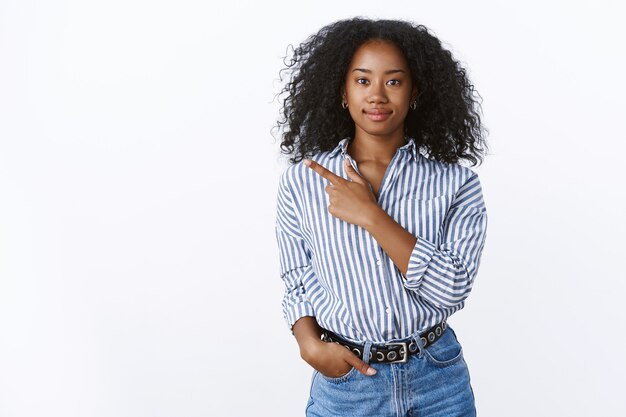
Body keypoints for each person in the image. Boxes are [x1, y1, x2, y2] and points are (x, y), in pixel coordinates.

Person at [274, 17, 488, 417]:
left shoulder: (456, 184)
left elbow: (453, 288)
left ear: (415, 92)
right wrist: (310, 346)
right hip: (348, 384)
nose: (377, 95)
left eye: (393, 81)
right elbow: (297, 279)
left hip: (437, 380)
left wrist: (372, 216)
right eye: (362, 80)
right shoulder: (302, 182)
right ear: (341, 91)